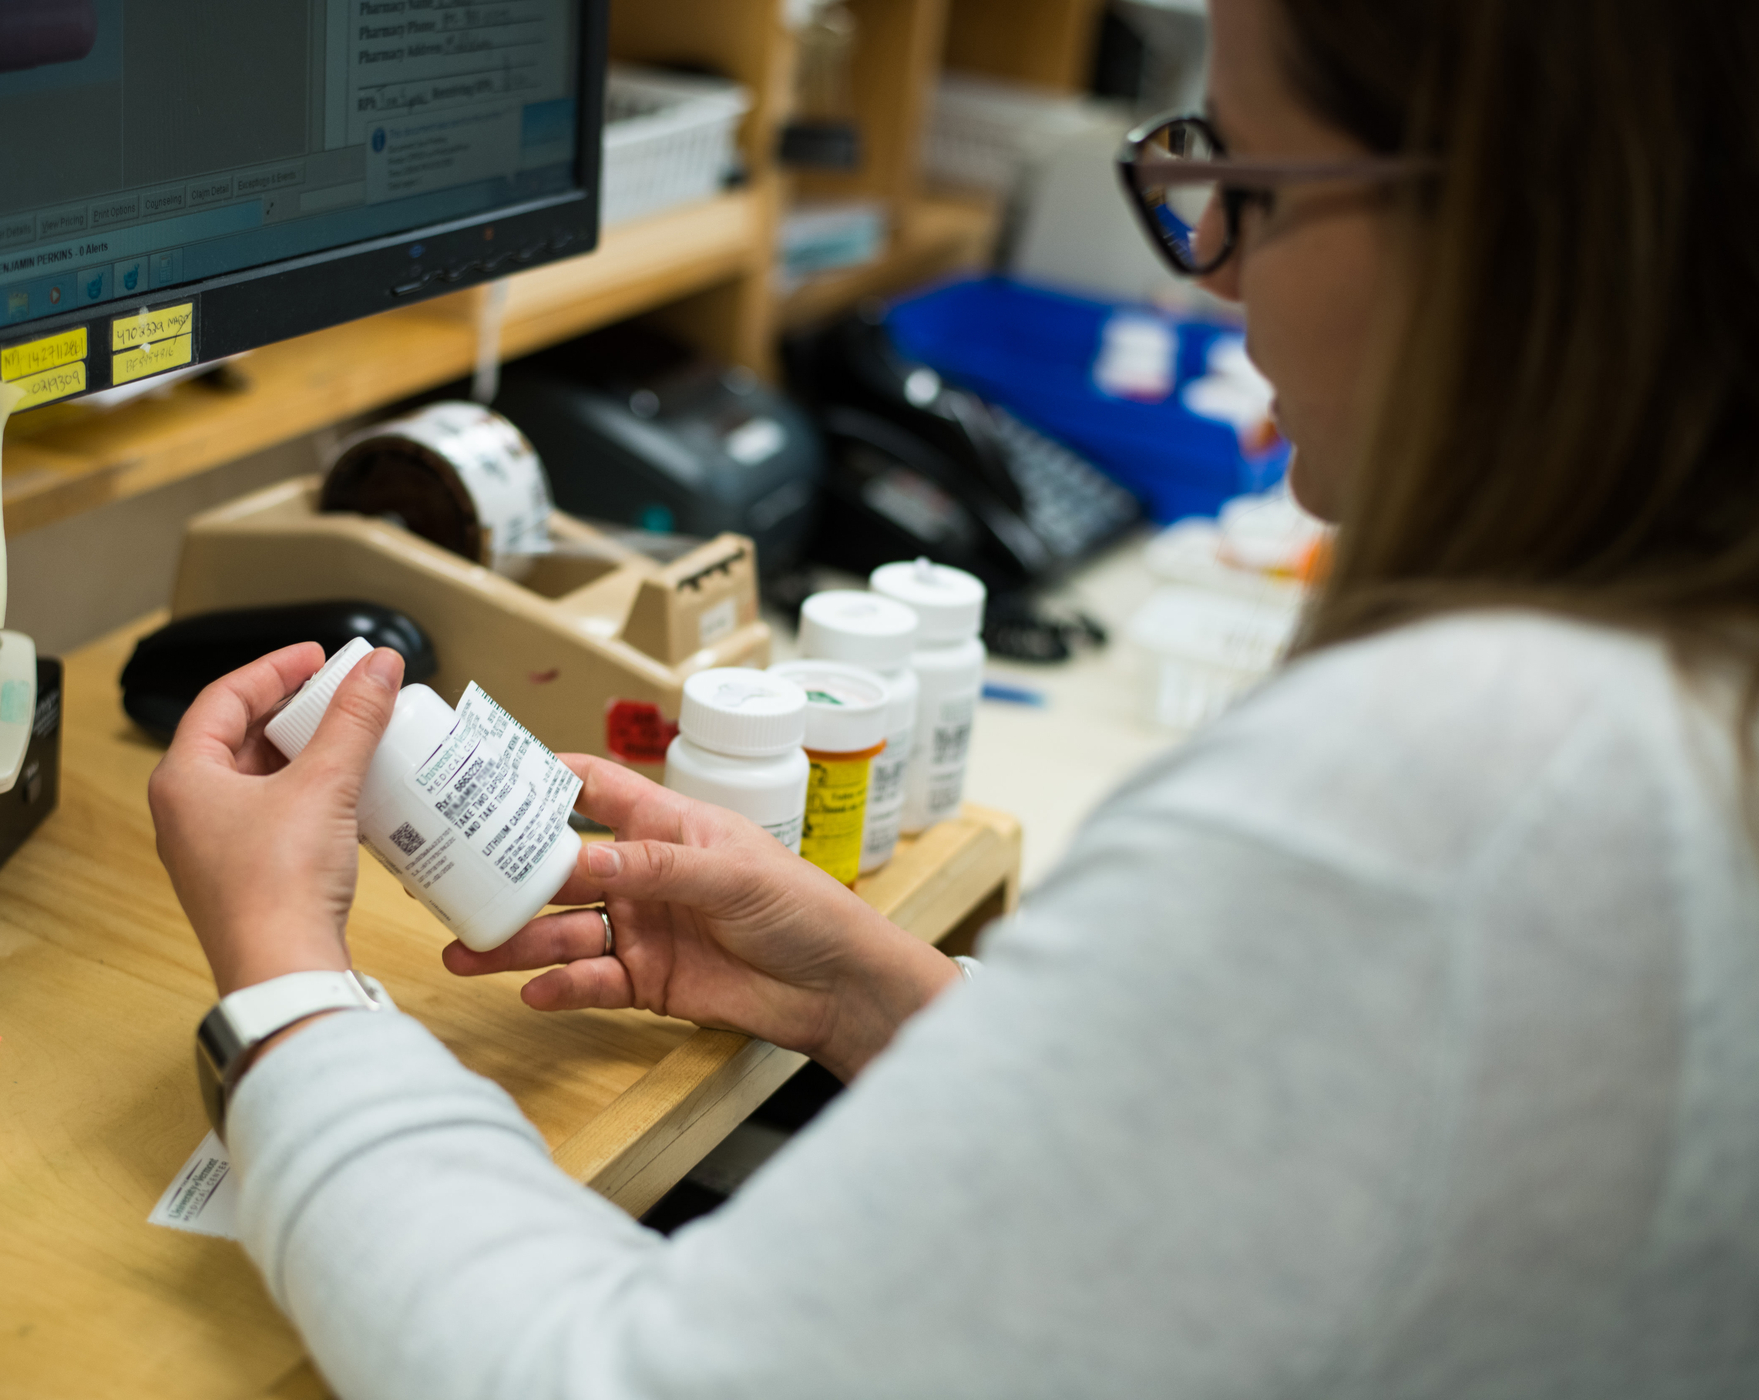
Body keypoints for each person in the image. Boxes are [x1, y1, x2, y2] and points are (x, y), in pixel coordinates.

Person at [147, 0, 1759, 1393]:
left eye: (1250, 185)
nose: (1214, 280)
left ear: (1499, 230)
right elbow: (1272, 1189)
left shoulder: (1455, 785)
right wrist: (862, 991)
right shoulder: (1666, 681)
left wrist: (286, 981)